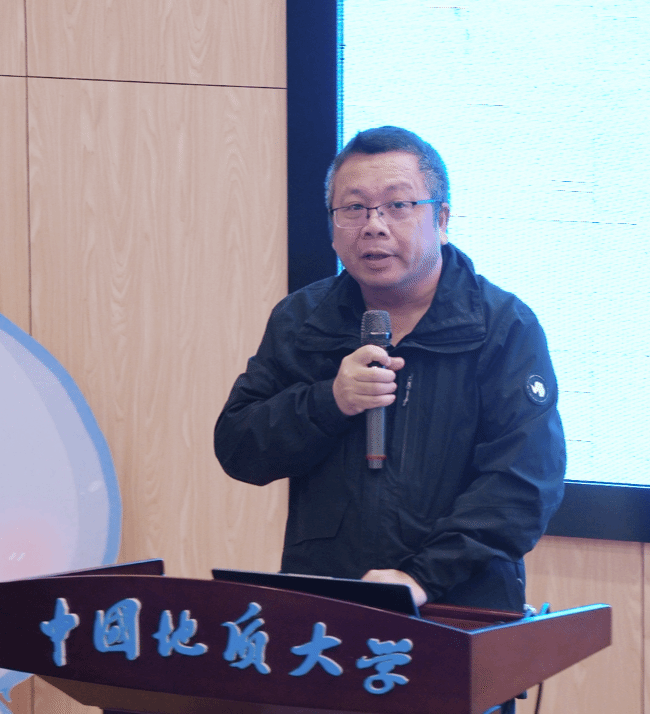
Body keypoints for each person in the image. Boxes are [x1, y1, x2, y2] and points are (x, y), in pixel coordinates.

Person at [214, 126, 565, 619]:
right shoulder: (302, 320)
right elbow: (239, 448)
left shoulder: (502, 326)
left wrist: (420, 577)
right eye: (354, 208)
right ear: (333, 225)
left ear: (441, 218)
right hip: (330, 609)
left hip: (458, 609)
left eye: (398, 205)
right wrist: (328, 401)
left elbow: (523, 484)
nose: (373, 225)